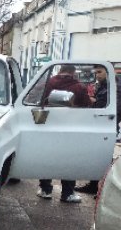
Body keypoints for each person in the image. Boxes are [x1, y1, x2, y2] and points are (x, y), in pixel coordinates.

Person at [37, 64, 89, 203]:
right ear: (73, 72)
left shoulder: (48, 83)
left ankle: (45, 189)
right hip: (71, 129)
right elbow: (87, 107)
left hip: (49, 126)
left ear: (60, 70)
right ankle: (67, 193)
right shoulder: (79, 87)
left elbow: (36, 100)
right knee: (69, 159)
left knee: (47, 156)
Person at [75, 65, 109, 194]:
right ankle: (94, 186)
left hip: (105, 123)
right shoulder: (101, 85)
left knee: (104, 156)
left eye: (100, 72)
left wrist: (92, 101)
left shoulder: (113, 87)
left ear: (107, 72)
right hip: (99, 123)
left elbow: (106, 105)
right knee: (97, 156)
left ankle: (104, 189)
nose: (97, 75)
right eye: (96, 73)